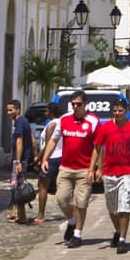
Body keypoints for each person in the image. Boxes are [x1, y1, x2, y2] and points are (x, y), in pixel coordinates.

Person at [42, 91, 99, 248]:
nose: (75, 107)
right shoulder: (64, 120)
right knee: (61, 198)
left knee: (81, 203)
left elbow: (98, 147)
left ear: (85, 104)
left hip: (84, 169)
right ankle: (72, 221)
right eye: (73, 104)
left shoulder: (93, 121)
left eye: (78, 104)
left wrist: (93, 168)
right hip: (66, 167)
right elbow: (54, 140)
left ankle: (77, 234)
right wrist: (45, 158)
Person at [91, 99, 130, 254]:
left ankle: (122, 239)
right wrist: (95, 168)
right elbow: (98, 148)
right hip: (109, 172)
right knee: (112, 208)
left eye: (120, 111)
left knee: (124, 206)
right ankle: (117, 229)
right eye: (115, 111)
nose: (117, 113)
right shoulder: (106, 127)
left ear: (126, 111)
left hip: (127, 172)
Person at [34, 101, 64, 224]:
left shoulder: (51, 125)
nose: (45, 113)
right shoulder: (62, 123)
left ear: (51, 113)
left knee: (42, 186)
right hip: (60, 156)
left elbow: (47, 144)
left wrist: (39, 158)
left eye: (46, 111)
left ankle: (41, 214)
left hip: (51, 158)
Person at [5, 100, 34, 224]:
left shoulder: (20, 122)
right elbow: (33, 140)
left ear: (17, 109)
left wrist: (17, 161)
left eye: (11, 110)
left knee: (19, 188)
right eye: (7, 110)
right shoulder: (23, 121)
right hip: (23, 158)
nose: (8, 112)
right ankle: (16, 213)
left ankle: (22, 217)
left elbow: (19, 141)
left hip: (19, 160)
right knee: (16, 186)